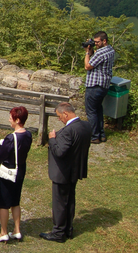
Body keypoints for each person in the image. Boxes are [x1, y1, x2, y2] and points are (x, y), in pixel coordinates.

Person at [40, 102, 91, 243]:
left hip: (62, 173)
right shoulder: (86, 126)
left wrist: (52, 139)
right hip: (75, 170)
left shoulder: (68, 131)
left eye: (59, 116)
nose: (59, 119)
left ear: (66, 114)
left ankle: (58, 232)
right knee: (70, 201)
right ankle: (68, 228)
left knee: (59, 204)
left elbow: (59, 151)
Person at [0, 106, 32, 242]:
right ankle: (17, 229)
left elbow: (2, 154)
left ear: (17, 119)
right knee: (15, 201)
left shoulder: (11, 138)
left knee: (4, 202)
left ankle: (3, 232)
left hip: (8, 172)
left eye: (11, 117)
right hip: (20, 170)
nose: (9, 120)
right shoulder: (28, 135)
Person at [84, 31, 115, 144]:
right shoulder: (111, 50)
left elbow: (88, 66)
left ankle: (94, 136)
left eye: (97, 42)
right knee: (98, 110)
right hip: (104, 85)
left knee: (91, 111)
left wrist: (87, 53)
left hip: (94, 85)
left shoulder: (100, 53)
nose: (96, 44)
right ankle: (101, 134)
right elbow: (98, 63)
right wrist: (92, 52)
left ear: (104, 41)